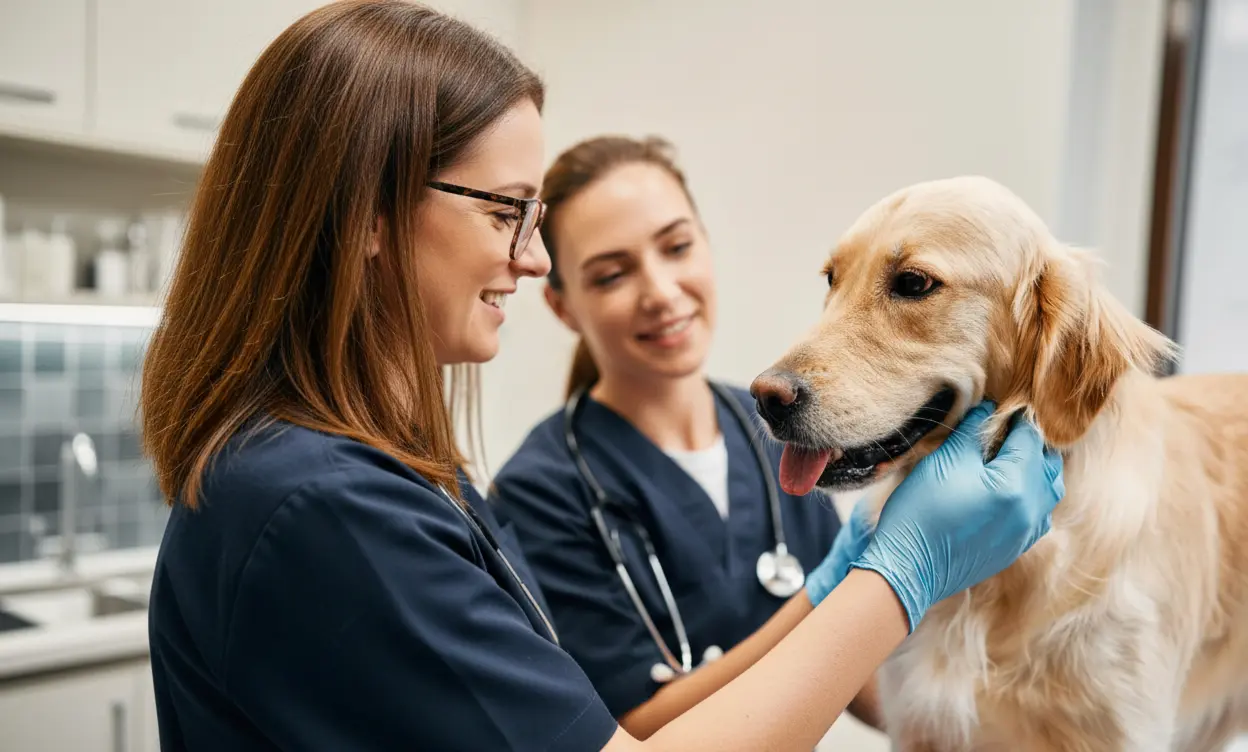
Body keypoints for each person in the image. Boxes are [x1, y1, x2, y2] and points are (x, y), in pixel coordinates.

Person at [139, 3, 1064, 751]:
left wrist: (849, 591)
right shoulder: (327, 511)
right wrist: (899, 573)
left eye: (533, 217)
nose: (532, 257)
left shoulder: (388, 477)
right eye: (505, 211)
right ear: (366, 214)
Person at [486, 135, 884, 736]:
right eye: (612, 275)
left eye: (676, 247)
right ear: (563, 308)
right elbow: (632, 728)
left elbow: (868, 686)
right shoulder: (542, 491)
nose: (662, 292)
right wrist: (832, 596)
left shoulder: (783, 422)